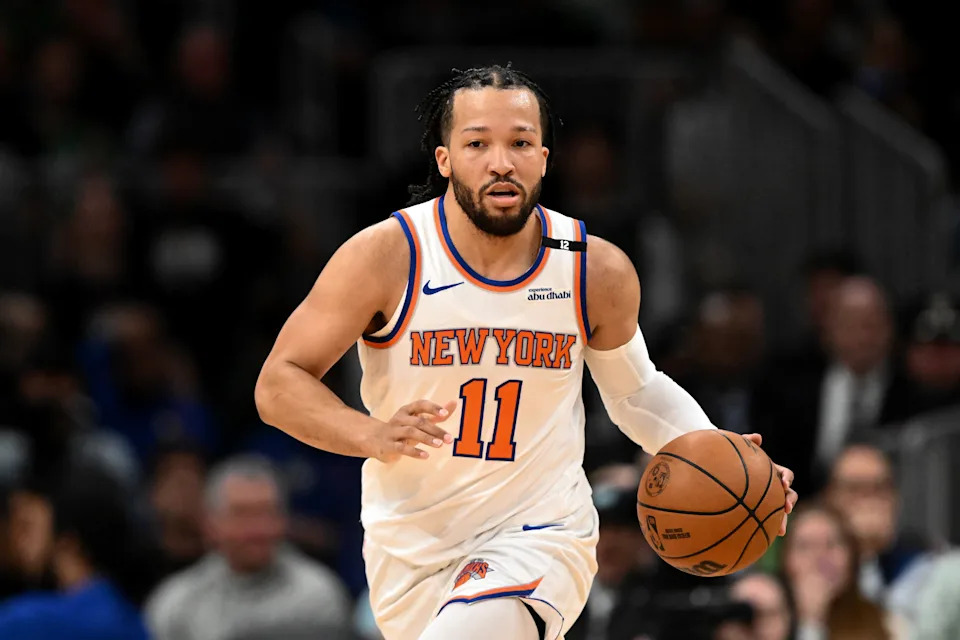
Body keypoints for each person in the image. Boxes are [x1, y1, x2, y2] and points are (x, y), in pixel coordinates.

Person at [255, 64, 797, 640]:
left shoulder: (594, 268)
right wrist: (369, 434)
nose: (500, 161)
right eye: (477, 143)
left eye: (520, 142)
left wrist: (720, 452)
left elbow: (636, 391)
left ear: (544, 156)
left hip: (540, 535)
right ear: (444, 160)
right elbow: (278, 384)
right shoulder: (388, 256)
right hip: (409, 547)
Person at [145, 454, 352, 640]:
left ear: (284, 520)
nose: (257, 529)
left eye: (266, 513)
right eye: (241, 514)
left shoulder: (318, 595)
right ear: (211, 522)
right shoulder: (175, 605)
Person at [0, 468, 150, 640]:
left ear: (69, 540)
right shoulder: (133, 619)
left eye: (26, 526)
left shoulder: (26, 622)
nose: (15, 539)